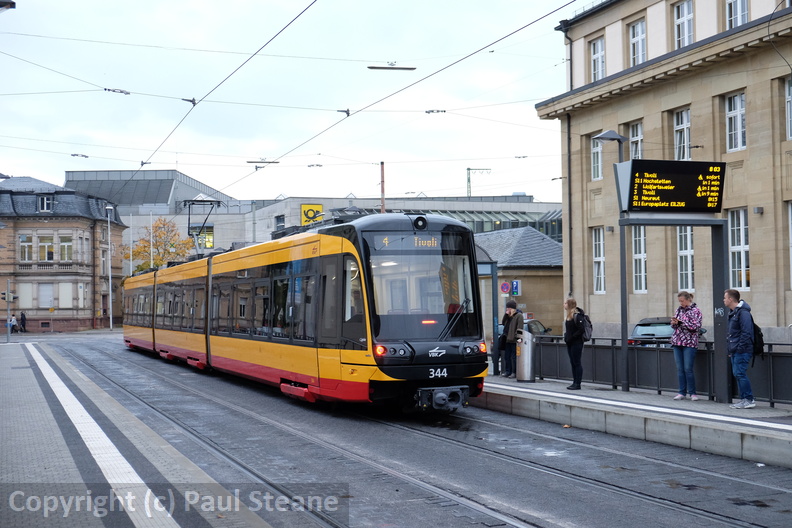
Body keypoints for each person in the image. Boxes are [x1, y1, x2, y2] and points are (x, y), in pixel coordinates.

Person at [724, 289, 755, 409]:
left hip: (742, 350)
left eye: (725, 298)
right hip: (735, 349)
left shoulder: (743, 313)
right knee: (737, 374)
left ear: (731, 299)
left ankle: (748, 399)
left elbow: (746, 332)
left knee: (740, 373)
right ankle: (744, 399)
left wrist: (739, 349)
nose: (724, 300)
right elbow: (731, 334)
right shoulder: (733, 312)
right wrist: (730, 350)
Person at [670, 291, 702, 401]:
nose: (681, 303)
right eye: (679, 301)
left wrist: (681, 323)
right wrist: (674, 323)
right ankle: (681, 392)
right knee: (680, 369)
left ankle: (693, 393)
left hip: (689, 342)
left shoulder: (695, 311)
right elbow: (674, 326)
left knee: (688, 368)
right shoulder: (678, 310)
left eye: (682, 301)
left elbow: (696, 327)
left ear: (688, 299)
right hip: (677, 341)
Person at [563, 298, 586, 390]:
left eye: (565, 303)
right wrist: (566, 336)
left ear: (569, 304)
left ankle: (578, 383)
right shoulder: (568, 316)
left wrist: (572, 337)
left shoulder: (577, 315)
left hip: (576, 342)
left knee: (577, 362)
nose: (564, 305)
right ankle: (574, 382)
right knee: (572, 362)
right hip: (570, 342)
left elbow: (581, 329)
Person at [500, 300, 524, 378]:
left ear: (512, 308)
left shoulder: (519, 316)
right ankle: (508, 371)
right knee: (507, 356)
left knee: (514, 357)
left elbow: (520, 328)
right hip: (507, 339)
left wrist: (517, 338)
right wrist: (506, 315)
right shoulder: (508, 316)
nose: (507, 309)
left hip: (514, 340)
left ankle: (514, 372)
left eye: (508, 308)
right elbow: (503, 323)